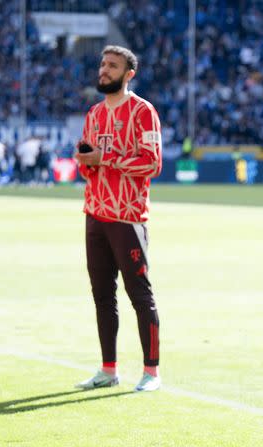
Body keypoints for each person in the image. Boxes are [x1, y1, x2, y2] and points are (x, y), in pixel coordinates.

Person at [73, 45, 163, 392]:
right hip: (95, 213)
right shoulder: (94, 114)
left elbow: (153, 163)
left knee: (140, 295)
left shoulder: (143, 111)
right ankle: (108, 369)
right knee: (101, 295)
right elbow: (89, 163)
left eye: (112, 66)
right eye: (102, 64)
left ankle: (151, 372)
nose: (104, 70)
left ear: (129, 74)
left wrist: (103, 157)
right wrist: (86, 161)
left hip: (128, 217)